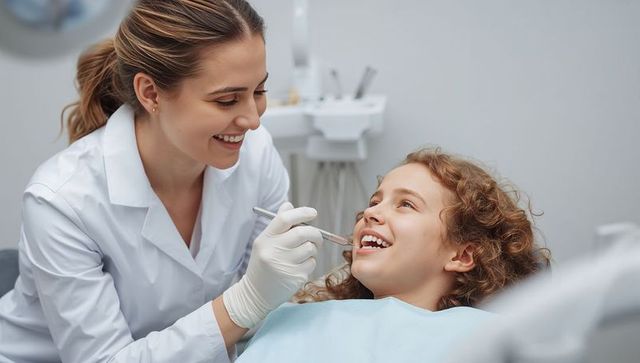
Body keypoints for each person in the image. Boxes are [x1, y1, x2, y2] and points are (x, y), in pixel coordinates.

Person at [0, 1, 323, 362]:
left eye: (259, 92)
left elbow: (264, 305)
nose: (252, 119)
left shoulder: (255, 155)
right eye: (227, 100)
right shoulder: (61, 201)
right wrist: (243, 303)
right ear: (151, 94)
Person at [236, 147, 551, 363]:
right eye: (375, 201)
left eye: (406, 204)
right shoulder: (290, 319)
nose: (371, 213)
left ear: (462, 254)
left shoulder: (484, 337)